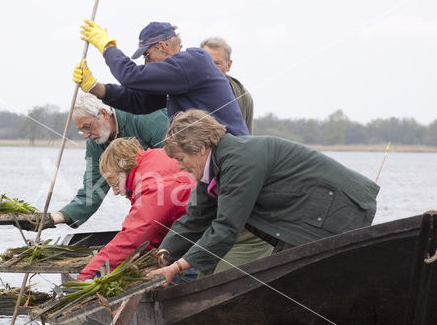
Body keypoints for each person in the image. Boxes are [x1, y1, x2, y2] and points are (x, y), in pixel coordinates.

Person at [149, 109, 380, 283]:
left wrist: (177, 268)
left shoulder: (238, 160)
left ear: (199, 149)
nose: (179, 167)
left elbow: (226, 227)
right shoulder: (212, 168)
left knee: (295, 281)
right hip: (302, 218)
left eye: (180, 158)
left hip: (338, 209)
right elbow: (195, 218)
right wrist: (161, 258)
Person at [73, 20, 249, 136]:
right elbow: (138, 101)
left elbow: (131, 76)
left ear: (163, 47)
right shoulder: (177, 79)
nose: (147, 64)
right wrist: (96, 88)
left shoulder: (192, 62)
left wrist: (108, 47)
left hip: (230, 152)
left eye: (147, 56)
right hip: (209, 159)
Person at [76, 137, 195, 281]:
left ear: (124, 169)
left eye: (114, 184)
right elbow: (157, 226)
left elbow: (132, 239)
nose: (114, 192)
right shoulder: (154, 157)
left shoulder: (151, 186)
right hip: (190, 230)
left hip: (197, 242)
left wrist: (86, 277)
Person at [48, 92, 169, 229]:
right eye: (82, 131)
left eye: (87, 127)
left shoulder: (144, 116)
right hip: (146, 206)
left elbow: (176, 162)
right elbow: (92, 190)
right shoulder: (95, 144)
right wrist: (52, 219)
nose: (86, 135)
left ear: (104, 114)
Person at [201, 37, 254, 134]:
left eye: (217, 63)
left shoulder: (243, 97)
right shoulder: (183, 90)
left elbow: (247, 140)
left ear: (228, 65)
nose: (210, 67)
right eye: (206, 62)